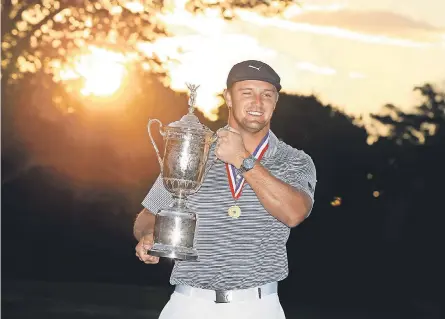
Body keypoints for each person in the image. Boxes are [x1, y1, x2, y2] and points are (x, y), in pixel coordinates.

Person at [133, 60, 317, 319]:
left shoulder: (295, 161)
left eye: (267, 95)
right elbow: (148, 215)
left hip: (258, 305)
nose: (257, 102)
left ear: (276, 101)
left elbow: (294, 213)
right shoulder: (195, 149)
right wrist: (148, 235)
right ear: (228, 98)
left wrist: (242, 159)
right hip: (188, 304)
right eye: (246, 93)